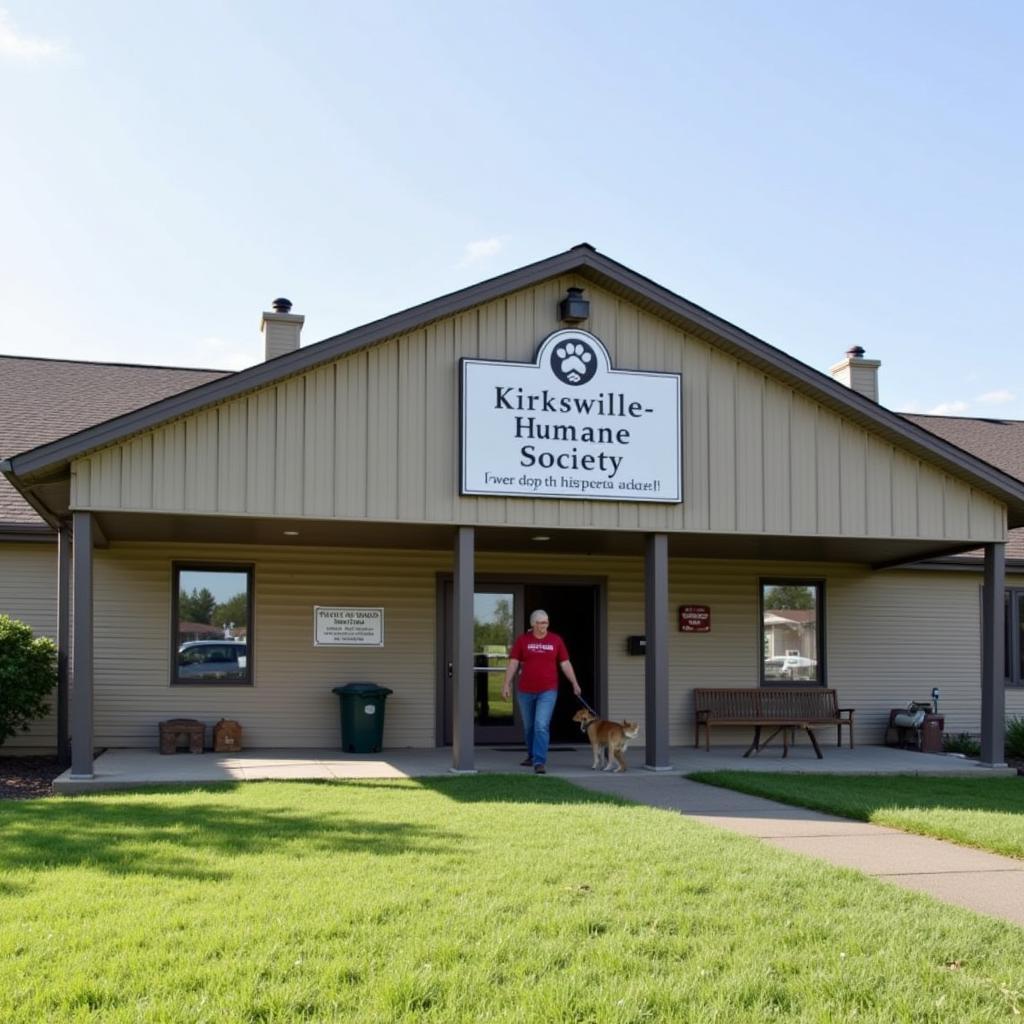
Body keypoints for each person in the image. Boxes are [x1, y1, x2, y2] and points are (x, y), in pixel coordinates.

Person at [501, 609, 582, 774]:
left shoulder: (556, 640)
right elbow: (514, 663)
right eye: (539, 622)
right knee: (529, 727)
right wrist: (506, 684)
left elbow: (565, 663)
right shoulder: (523, 640)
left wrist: (574, 682)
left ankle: (539, 761)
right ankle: (531, 755)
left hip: (548, 690)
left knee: (541, 725)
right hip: (525, 691)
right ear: (532, 624)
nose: (543, 625)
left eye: (545, 622)